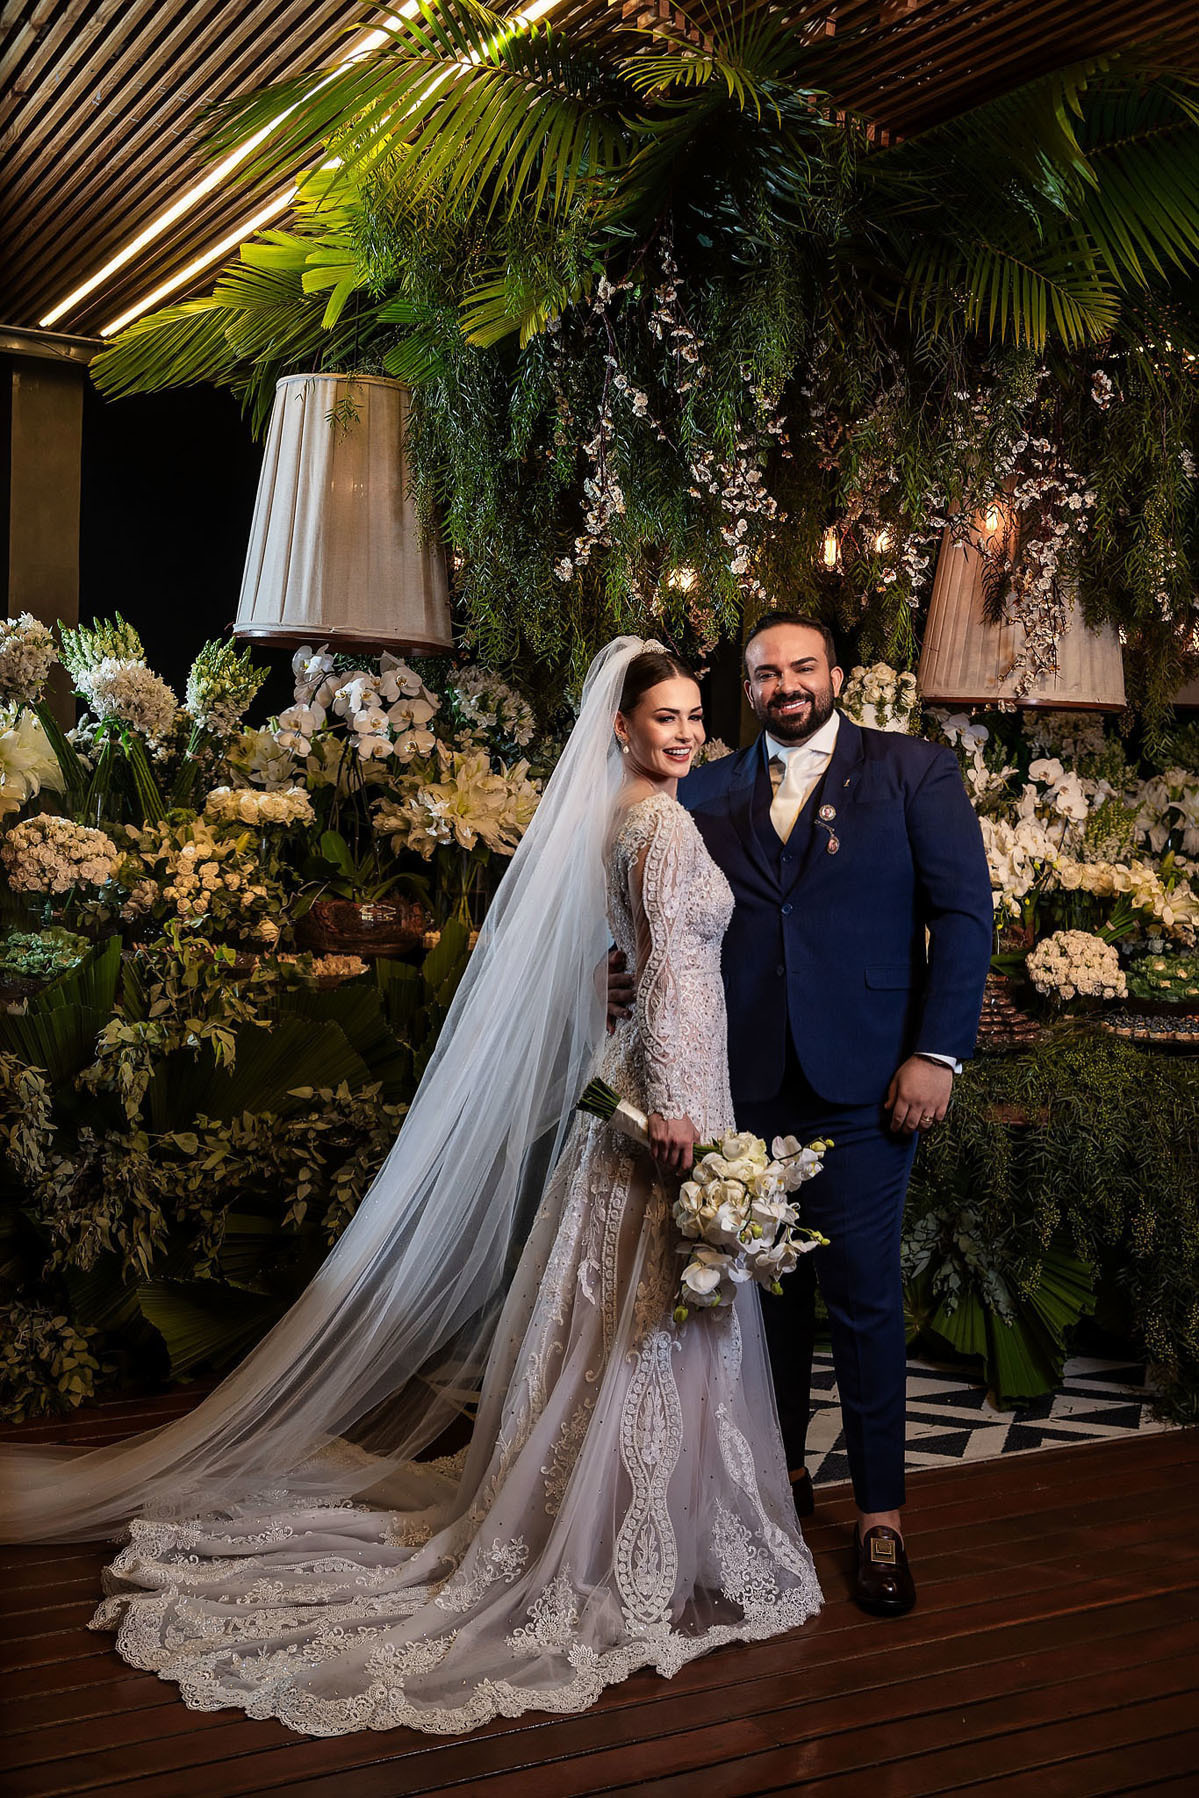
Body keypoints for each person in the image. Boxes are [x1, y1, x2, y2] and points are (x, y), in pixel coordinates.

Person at [0, 638, 820, 1738]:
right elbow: (668, 972)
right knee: (644, 1307)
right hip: (670, 1092)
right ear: (621, 726)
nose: (684, 732)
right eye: (663, 717)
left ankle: (610, 1516)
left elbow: (623, 954)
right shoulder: (661, 826)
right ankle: (630, 1535)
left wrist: (615, 1002)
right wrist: (676, 1109)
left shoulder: (618, 814)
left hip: (646, 1072)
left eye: (692, 716)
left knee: (617, 1306)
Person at [609, 613, 993, 1616]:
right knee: (756, 1300)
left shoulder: (912, 771)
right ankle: (772, 1488)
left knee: (862, 1298)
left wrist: (936, 1052)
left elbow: (963, 915)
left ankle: (879, 1517)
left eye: (802, 666)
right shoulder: (705, 788)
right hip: (739, 1083)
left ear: (836, 675)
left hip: (868, 1083)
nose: (784, 683)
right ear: (745, 688)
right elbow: (665, 914)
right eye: (764, 671)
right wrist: (621, 973)